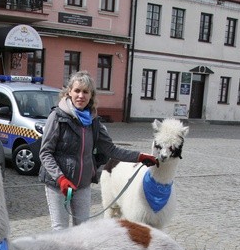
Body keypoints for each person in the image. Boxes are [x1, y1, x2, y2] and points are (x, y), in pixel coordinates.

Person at [38, 71, 158, 229]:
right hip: (58, 184)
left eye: (85, 92)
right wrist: (60, 178)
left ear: (91, 96)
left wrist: (140, 157)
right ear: (69, 93)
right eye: (77, 91)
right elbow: (45, 153)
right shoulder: (57, 117)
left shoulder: (93, 121)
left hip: (82, 184)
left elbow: (111, 149)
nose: (81, 95)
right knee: (60, 230)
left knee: (83, 229)